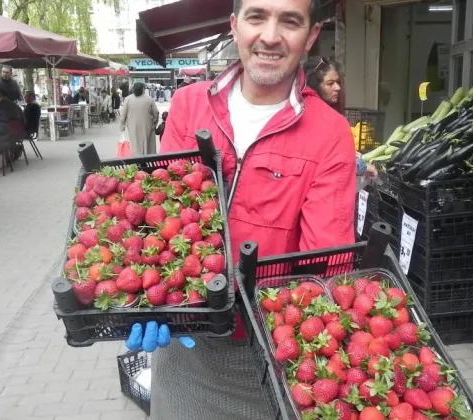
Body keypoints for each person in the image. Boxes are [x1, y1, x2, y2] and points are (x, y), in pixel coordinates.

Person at [125, 1, 356, 419]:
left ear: (311, 35)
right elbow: (158, 213)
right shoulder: (188, 104)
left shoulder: (330, 133)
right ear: (235, 26)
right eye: (256, 17)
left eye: (289, 21)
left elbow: (325, 264)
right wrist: (147, 297)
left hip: (267, 361)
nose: (270, 35)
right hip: (184, 353)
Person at [302, 56, 371, 178]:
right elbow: (331, 165)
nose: (337, 88)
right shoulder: (319, 119)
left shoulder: (320, 112)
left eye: (338, 82)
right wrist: (362, 166)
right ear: (315, 85)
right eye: (330, 83)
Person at [119, 82, 159, 156]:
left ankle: (138, 161)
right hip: (147, 126)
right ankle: (148, 160)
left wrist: (122, 126)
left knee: (136, 144)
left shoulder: (128, 99)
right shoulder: (149, 99)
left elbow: (123, 114)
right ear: (143, 89)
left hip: (132, 126)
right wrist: (154, 123)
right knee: (148, 144)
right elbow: (156, 113)